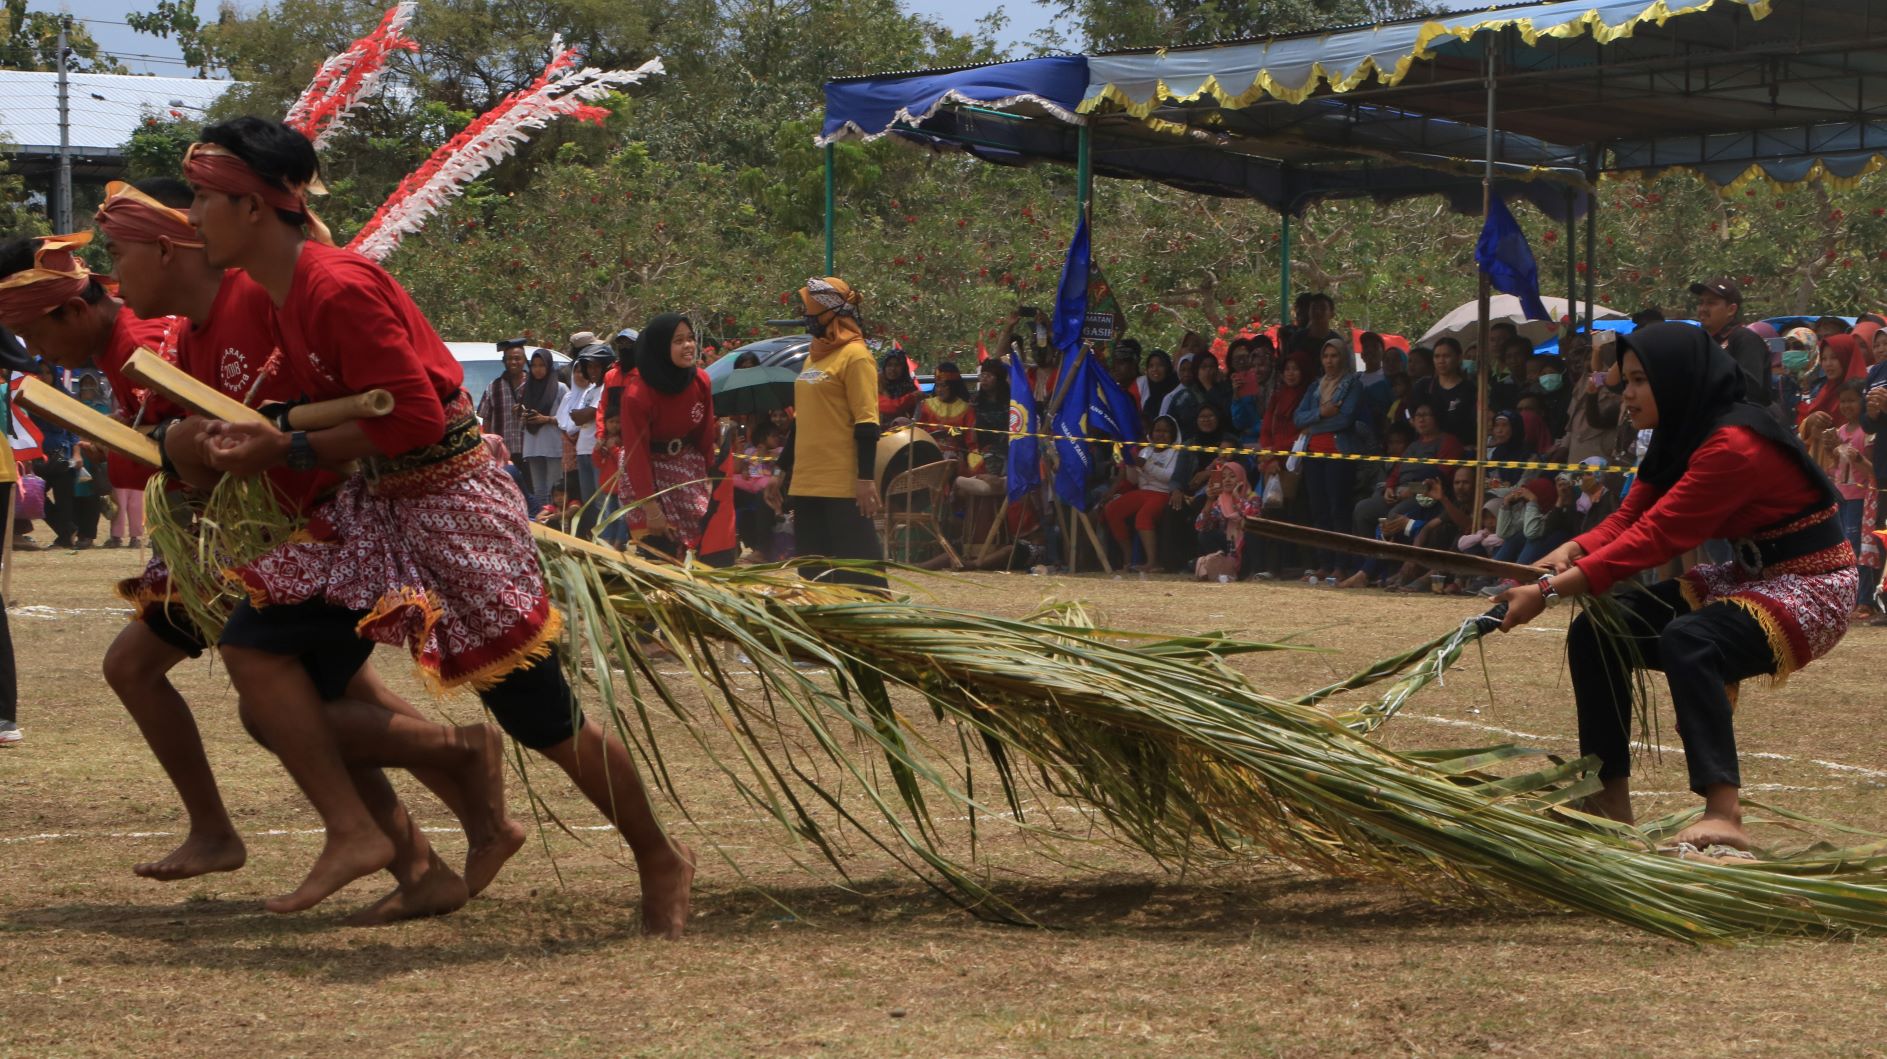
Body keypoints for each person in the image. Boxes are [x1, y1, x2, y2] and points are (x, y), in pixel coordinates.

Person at [182, 117, 692, 933]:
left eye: (202, 198)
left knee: (541, 716)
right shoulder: (284, 294)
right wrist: (269, 438)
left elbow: (416, 417)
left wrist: (291, 444)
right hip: (381, 507)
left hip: (455, 509)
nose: (192, 216)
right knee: (258, 648)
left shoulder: (336, 287)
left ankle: (659, 856)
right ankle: (371, 832)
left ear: (250, 206)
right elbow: (349, 418)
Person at [82, 176, 520, 904]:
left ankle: (438, 783)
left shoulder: (259, 302)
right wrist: (186, 443)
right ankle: (426, 863)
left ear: (166, 248)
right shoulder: (189, 333)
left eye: (118, 254)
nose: (113, 279)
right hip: (280, 536)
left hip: (336, 525)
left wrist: (245, 449)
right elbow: (171, 454)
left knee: (271, 698)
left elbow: (368, 417)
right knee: (302, 703)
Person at [1499, 323, 1857, 853]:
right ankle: (1607, 800)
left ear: (1676, 379)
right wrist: (1569, 552)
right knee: (1598, 632)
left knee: (1690, 640)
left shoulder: (1734, 445)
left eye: (1639, 381)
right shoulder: (1681, 431)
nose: (1627, 394)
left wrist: (1549, 592)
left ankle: (1724, 814)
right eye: (1626, 381)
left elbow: (1657, 537)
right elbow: (1630, 518)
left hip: (1813, 585)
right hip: (1747, 577)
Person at [768, 276, 885, 589]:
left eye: (810, 310)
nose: (806, 317)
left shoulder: (856, 356)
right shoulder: (813, 356)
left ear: (831, 312)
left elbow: (867, 422)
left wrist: (865, 479)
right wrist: (780, 471)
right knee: (813, 577)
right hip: (806, 483)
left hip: (842, 485)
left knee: (862, 576)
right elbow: (801, 422)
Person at [617, 312, 727, 562]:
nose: (688, 345)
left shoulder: (700, 381)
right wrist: (650, 507)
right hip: (646, 474)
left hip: (687, 469)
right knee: (660, 551)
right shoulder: (637, 395)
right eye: (678, 341)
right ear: (660, 347)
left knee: (702, 544)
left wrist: (710, 476)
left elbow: (704, 434)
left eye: (690, 338)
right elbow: (636, 452)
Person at [1294, 336, 1366, 583]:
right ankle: (1324, 564)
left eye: (1334, 355)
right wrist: (1322, 412)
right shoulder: (1315, 386)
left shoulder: (1353, 385)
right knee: (1319, 510)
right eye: (1326, 356)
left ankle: (1341, 565)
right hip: (1313, 454)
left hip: (1339, 453)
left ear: (1343, 357)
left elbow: (1345, 419)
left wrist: (1313, 425)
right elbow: (1298, 418)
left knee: (1339, 509)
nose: (1329, 361)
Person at [1104, 414, 1182, 573]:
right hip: (1142, 491)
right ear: (1151, 433)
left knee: (1143, 516)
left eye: (1166, 431)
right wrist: (1130, 464)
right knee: (1112, 509)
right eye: (1157, 431)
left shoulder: (1177, 452)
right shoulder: (1145, 451)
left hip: (1161, 493)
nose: (1161, 435)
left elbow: (1170, 477)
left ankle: (1151, 562)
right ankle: (1128, 558)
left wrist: (1146, 465)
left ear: (1173, 434)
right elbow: (1133, 480)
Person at [1689, 276, 1776, 413]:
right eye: (1701, 303)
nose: (1703, 309)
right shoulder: (1702, 341)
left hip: (1741, 420)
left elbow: (1749, 390)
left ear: (1731, 309)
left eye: (1711, 303)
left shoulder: (1745, 339)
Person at [556, 346, 606, 537]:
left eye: (596, 367)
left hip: (596, 448)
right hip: (582, 450)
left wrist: (579, 415)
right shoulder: (589, 390)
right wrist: (579, 415)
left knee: (600, 499)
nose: (592, 371)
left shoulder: (604, 389)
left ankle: (603, 537)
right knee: (587, 500)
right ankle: (591, 537)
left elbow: (583, 416)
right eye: (589, 367)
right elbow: (575, 418)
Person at [515, 347, 566, 511]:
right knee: (539, 490)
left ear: (549, 366)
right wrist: (522, 415)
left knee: (554, 489)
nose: (537, 369)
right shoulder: (526, 388)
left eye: (542, 365)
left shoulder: (560, 388)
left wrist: (547, 419)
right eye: (534, 366)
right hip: (533, 444)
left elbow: (569, 419)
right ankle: (542, 521)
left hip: (553, 445)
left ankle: (555, 521)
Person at [476, 339, 527, 484]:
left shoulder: (534, 385)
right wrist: (489, 447)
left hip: (529, 451)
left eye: (517, 358)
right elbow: (486, 419)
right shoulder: (494, 386)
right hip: (503, 453)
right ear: (503, 361)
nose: (513, 362)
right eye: (509, 359)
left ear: (524, 361)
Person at [1411, 337, 1476, 447]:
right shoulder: (1422, 386)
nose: (1441, 361)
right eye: (1437, 356)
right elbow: (1410, 414)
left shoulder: (1469, 389)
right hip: (1427, 449)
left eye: (1446, 356)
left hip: (1461, 448)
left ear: (1459, 358)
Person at [1796, 332, 1868, 426]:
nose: (1828, 364)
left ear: (1847, 356)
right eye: (1824, 359)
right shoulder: (1825, 390)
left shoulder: (1864, 390)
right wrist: (1811, 420)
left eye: (1834, 358)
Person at [915, 360, 975, 462]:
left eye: (943, 386)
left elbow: (967, 435)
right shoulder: (925, 405)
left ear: (953, 386)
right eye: (937, 385)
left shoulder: (966, 409)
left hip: (955, 456)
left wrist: (950, 431)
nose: (939, 390)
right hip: (928, 454)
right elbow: (917, 432)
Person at [1137, 350, 1177, 430]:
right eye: (1151, 366)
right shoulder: (1150, 399)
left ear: (1168, 367)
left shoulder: (1176, 394)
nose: (1155, 369)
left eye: (1160, 365)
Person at [877, 351, 919, 425]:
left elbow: (916, 416)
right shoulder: (878, 385)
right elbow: (890, 408)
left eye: (897, 365)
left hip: (905, 430)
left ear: (904, 368)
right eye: (889, 365)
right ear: (884, 367)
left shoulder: (910, 388)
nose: (893, 369)